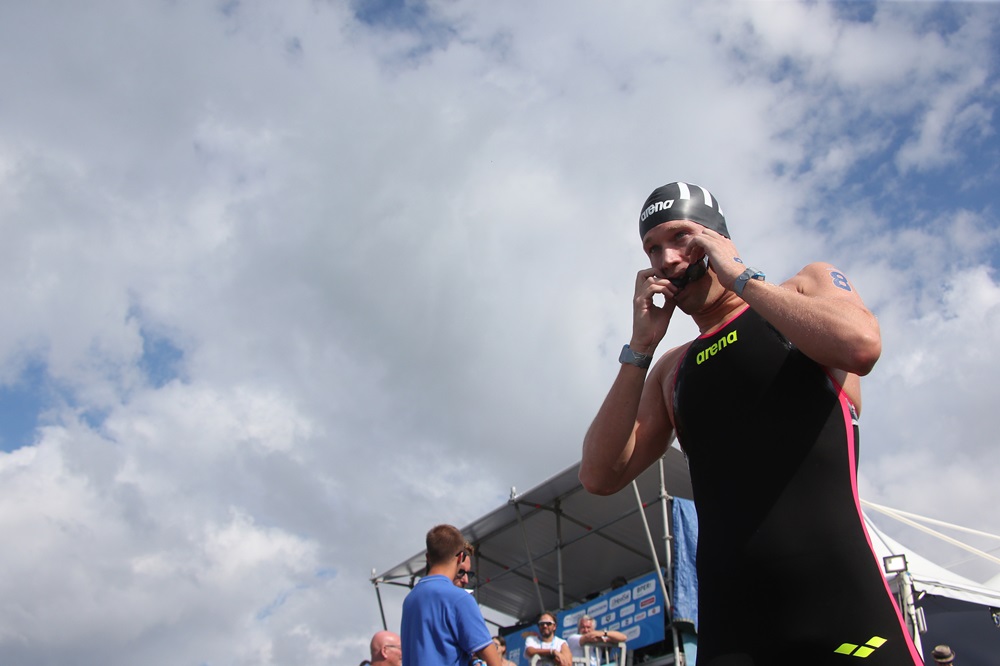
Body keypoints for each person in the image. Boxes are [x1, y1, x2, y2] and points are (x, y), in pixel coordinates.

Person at [580, 181, 922, 664]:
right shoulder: (670, 371)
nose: (666, 259)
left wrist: (741, 279)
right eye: (652, 249)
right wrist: (639, 348)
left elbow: (860, 345)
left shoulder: (803, 290)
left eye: (679, 237)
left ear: (718, 239)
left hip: (842, 610)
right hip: (734, 632)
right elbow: (599, 475)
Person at [401, 524, 501, 666]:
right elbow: (494, 661)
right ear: (460, 557)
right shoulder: (460, 599)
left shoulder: (410, 600)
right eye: (462, 572)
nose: (466, 579)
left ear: (428, 558)